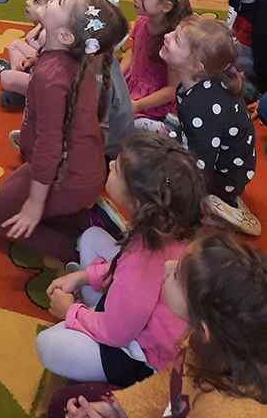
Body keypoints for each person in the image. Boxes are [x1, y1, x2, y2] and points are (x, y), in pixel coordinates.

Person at [37, 133, 203, 387]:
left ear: (136, 202)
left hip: (140, 354)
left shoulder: (142, 265)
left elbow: (117, 334)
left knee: (47, 345)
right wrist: (82, 277)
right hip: (131, 313)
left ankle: (100, 358)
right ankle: (91, 310)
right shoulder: (166, 227)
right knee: (92, 237)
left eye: (118, 169)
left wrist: (69, 312)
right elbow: (122, 267)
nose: (112, 163)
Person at [48, 233, 267, 417]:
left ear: (204, 330)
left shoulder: (225, 410)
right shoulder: (206, 340)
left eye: (177, 275)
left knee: (63, 405)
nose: (168, 265)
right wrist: (116, 409)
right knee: (63, 402)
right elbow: (173, 384)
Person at [0, 0, 128, 263]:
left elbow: (50, 147)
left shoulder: (52, 77)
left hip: (70, 176)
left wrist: (36, 202)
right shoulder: (72, 57)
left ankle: (84, 255)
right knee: (8, 195)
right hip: (82, 169)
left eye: (60, 1)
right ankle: (93, 219)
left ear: (65, 36)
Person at [160, 15, 260, 235]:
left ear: (196, 65)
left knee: (162, 181)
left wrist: (176, 187)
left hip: (223, 176)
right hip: (219, 157)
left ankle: (215, 205)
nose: (167, 36)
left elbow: (201, 162)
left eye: (176, 39)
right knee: (162, 153)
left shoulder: (201, 105)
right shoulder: (200, 85)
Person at [119, 0, 191, 132]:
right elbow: (133, 52)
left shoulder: (171, 42)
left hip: (155, 101)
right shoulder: (141, 21)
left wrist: (138, 105)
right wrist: (118, 76)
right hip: (134, 87)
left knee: (127, 125)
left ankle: (167, 130)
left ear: (165, 6)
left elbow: (173, 89)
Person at [0, 0, 71, 106]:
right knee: (15, 44)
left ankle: (22, 90)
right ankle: (21, 87)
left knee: (6, 77)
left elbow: (51, 70)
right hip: (43, 69)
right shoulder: (50, 28)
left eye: (36, 0)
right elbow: (46, 57)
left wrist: (33, 68)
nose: (27, 2)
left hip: (48, 84)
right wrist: (31, 61)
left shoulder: (47, 35)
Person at [226, 0, 267, 120]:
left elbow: (265, 59)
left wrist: (262, 96)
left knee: (225, 94)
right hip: (238, 65)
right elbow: (230, 24)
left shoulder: (264, 9)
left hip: (259, 77)